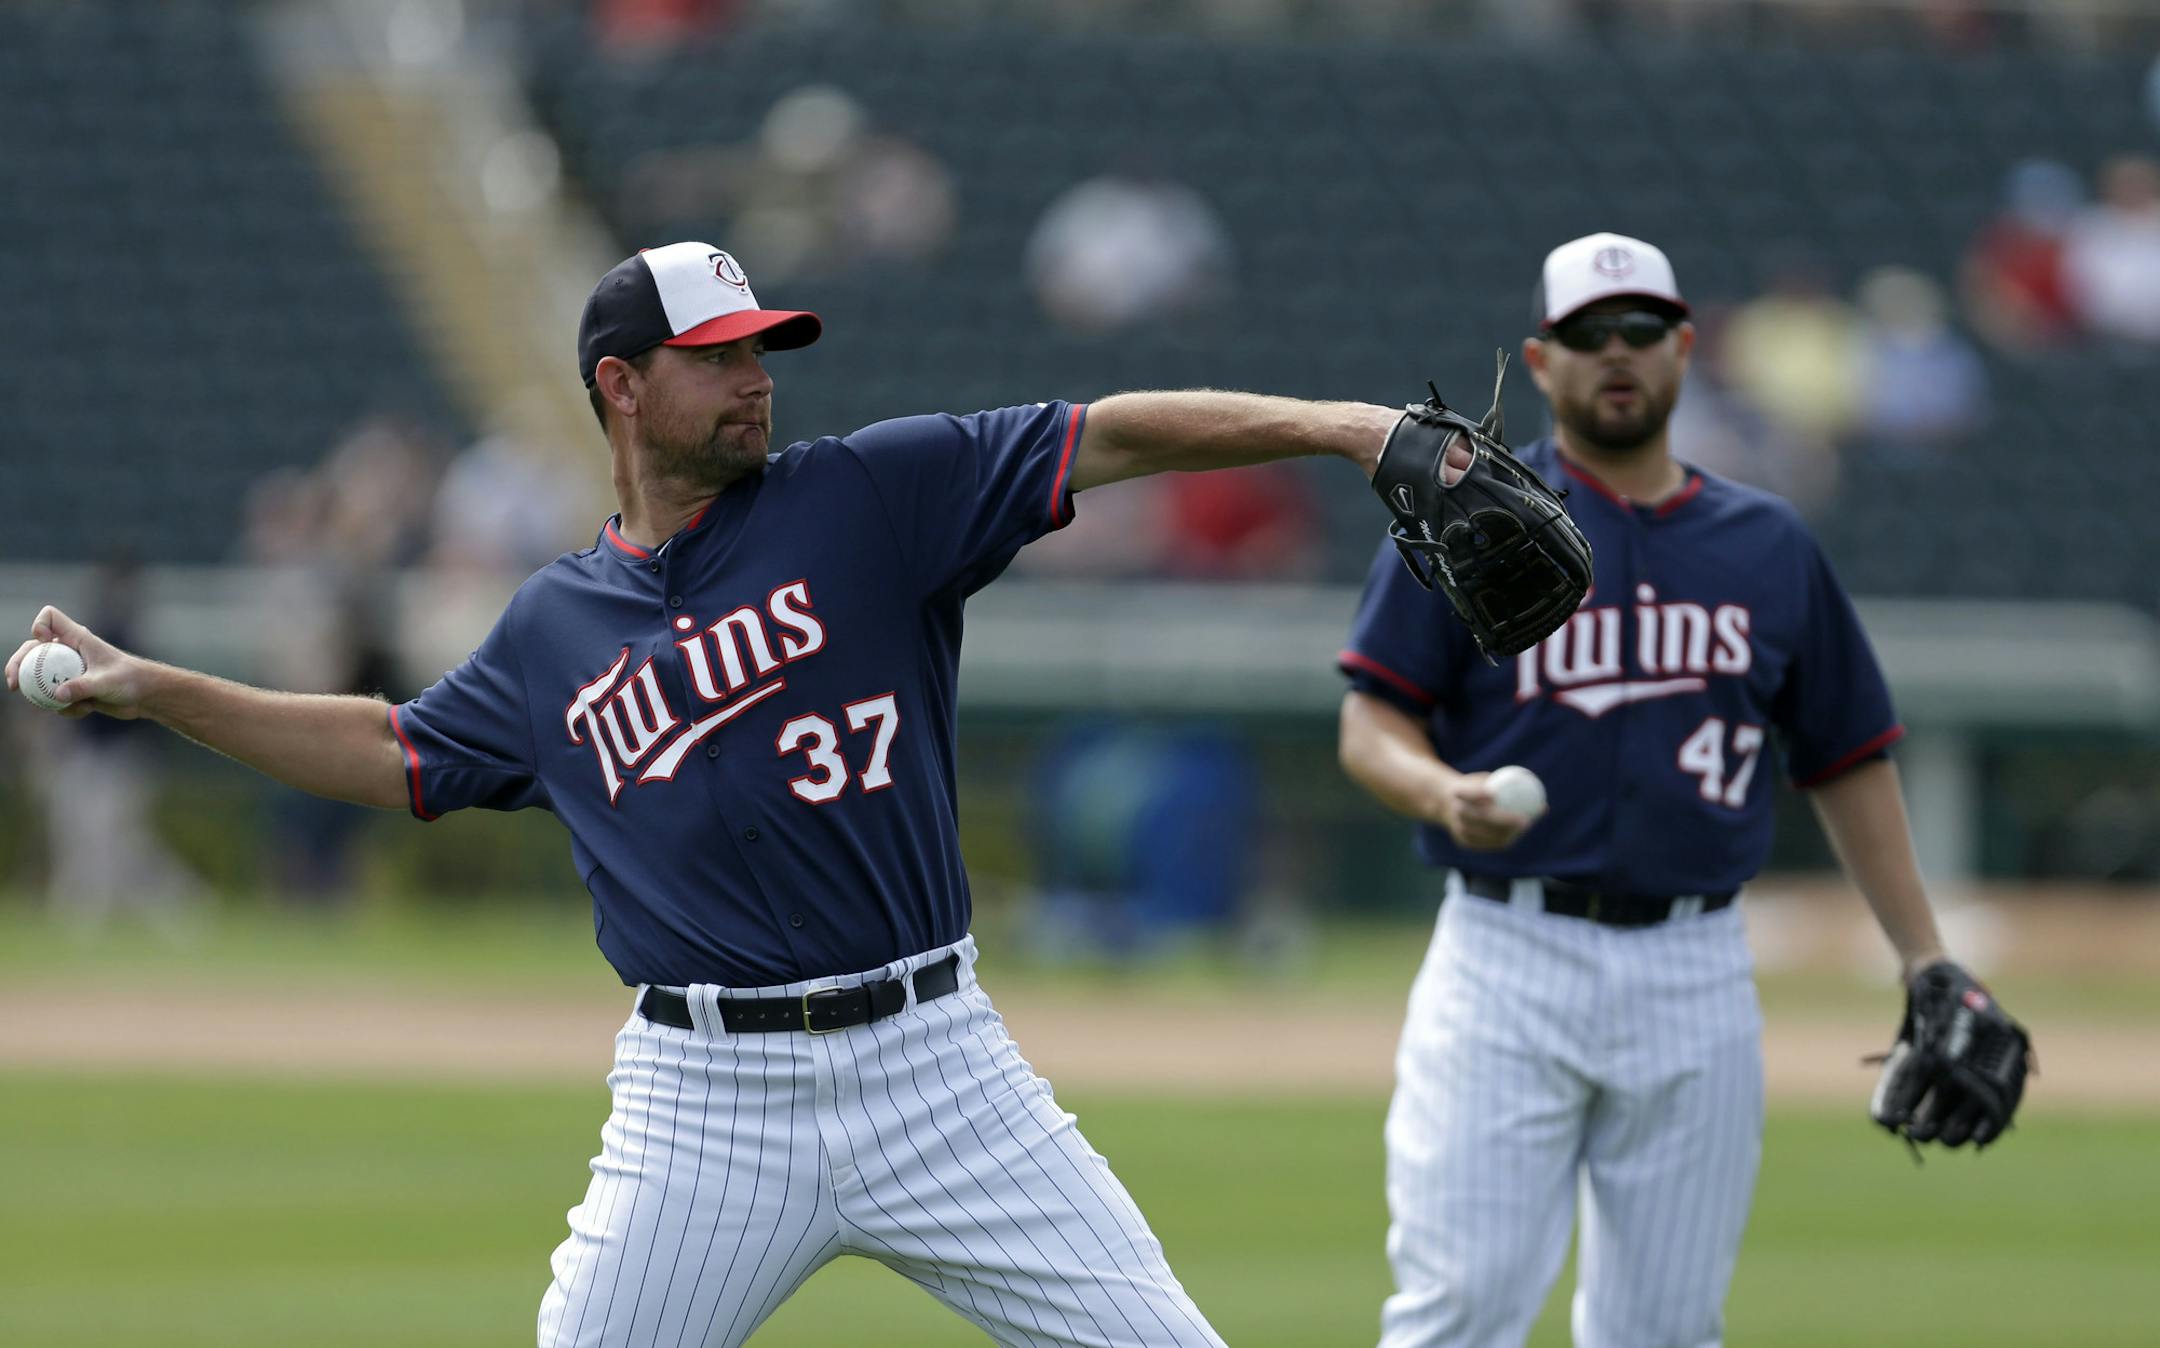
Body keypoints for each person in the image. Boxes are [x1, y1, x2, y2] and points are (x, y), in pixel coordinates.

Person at [8, 240, 1444, 1348]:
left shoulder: (874, 493)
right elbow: (397, 753)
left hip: (939, 1070)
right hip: (705, 1103)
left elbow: (1114, 435)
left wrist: (1350, 430)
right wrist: (162, 690)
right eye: (718, 355)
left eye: (764, 347)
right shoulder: (552, 630)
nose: (758, 375)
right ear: (622, 386)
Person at [1336, 232, 1983, 1348]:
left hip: (1696, 969)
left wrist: (1926, 956)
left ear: (1686, 348)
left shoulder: (1766, 543)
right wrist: (1442, 793)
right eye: (1589, 334)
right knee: (1462, 1309)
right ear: (1541, 361)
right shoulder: (1460, 515)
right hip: (1505, 955)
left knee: (1666, 1329)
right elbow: (1369, 718)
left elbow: (1847, 753)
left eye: (1641, 329)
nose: (1616, 352)